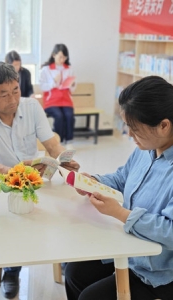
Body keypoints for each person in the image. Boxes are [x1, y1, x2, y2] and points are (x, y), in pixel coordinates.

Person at [0, 61, 80, 299]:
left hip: (35, 176)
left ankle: (66, 260)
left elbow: (51, 144)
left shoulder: (31, 107)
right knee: (10, 221)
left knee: (64, 208)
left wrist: (62, 159)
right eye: (4, 94)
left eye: (16, 91)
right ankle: (11, 269)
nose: (13, 99)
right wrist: (17, 173)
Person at [65, 76, 173, 300]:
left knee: (90, 297)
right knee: (75, 272)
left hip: (158, 270)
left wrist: (120, 213)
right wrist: (94, 181)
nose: (129, 135)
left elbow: (170, 232)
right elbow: (123, 177)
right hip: (130, 245)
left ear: (164, 125)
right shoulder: (146, 148)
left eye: (134, 128)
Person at [39, 43, 76, 145]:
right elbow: (42, 86)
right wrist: (54, 82)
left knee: (69, 115)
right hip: (51, 101)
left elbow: (72, 90)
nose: (62, 59)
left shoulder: (69, 68)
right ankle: (58, 142)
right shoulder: (46, 69)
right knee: (59, 116)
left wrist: (72, 84)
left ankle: (69, 141)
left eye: (64, 57)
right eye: (60, 57)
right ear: (53, 55)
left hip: (66, 100)